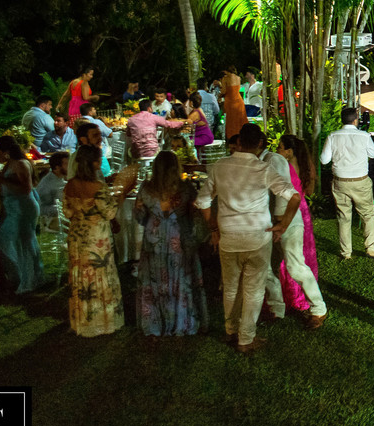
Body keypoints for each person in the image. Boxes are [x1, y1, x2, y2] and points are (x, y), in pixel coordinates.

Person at [195, 123, 298, 352]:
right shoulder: (263, 169)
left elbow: (202, 202)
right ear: (260, 144)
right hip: (257, 238)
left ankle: (231, 330)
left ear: (239, 141)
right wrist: (283, 225)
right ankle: (246, 338)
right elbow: (294, 197)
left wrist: (213, 227)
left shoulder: (220, 166)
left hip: (229, 237)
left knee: (231, 287)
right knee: (253, 289)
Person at [134, 151, 208, 336]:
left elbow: (140, 216)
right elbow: (194, 216)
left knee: (155, 280)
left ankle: (155, 324)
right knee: (181, 279)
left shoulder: (146, 188)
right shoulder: (186, 189)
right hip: (179, 236)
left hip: (154, 238)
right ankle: (182, 322)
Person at [258, 130, 327, 328]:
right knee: (270, 266)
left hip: (288, 215)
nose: (277, 149)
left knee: (295, 265)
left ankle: (317, 308)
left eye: (280, 147)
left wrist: (282, 222)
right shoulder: (297, 164)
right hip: (289, 213)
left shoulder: (277, 162)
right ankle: (277, 308)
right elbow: (309, 189)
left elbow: (283, 197)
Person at [64, 145, 129, 336]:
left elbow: (67, 212)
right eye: (99, 159)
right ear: (93, 163)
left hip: (77, 238)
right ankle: (103, 320)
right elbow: (109, 212)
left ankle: (83, 321)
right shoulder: (98, 188)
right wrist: (120, 197)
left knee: (81, 279)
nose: (101, 162)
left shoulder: (70, 185)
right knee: (100, 276)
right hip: (96, 240)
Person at [320, 106, 374, 259]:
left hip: (340, 181)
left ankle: (346, 252)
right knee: (367, 214)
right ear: (355, 121)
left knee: (343, 216)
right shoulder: (364, 136)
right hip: (360, 181)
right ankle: (370, 247)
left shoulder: (333, 136)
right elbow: (373, 154)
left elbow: (324, 159)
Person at [273, 134, 322, 314]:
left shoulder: (285, 168)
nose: (277, 151)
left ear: (288, 152)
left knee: (291, 257)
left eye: (279, 147)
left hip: (291, 211)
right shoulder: (302, 165)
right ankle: (304, 294)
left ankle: (293, 296)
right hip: (302, 210)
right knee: (302, 255)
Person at [0, 136, 45, 295]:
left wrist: (1, 179)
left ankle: (28, 280)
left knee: (19, 242)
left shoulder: (21, 164)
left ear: (6, 152)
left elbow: (26, 189)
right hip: (14, 207)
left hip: (23, 208)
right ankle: (21, 276)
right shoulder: (9, 164)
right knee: (13, 241)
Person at [36, 150, 70, 226]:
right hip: (51, 222)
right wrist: (63, 208)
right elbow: (41, 209)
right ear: (57, 168)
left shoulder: (62, 177)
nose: (70, 167)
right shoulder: (47, 184)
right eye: (66, 164)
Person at [220, 65, 246, 140]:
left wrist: (220, 95)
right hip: (239, 101)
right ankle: (242, 136)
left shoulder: (225, 79)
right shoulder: (238, 78)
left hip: (230, 102)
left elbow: (224, 91)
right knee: (239, 120)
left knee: (231, 121)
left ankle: (232, 138)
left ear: (226, 71)